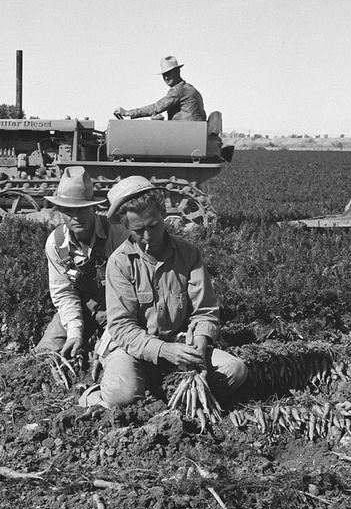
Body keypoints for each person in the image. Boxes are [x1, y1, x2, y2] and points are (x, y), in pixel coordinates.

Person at [91, 176, 248, 408]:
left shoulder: (189, 254)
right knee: (121, 398)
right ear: (125, 226)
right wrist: (163, 350)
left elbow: (204, 311)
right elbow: (122, 328)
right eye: (138, 230)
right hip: (133, 348)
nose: (147, 237)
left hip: (179, 343)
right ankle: (95, 394)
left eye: (153, 226)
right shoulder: (120, 263)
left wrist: (200, 342)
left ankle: (165, 388)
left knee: (235, 371)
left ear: (163, 213)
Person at [35, 166, 129, 359]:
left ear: (94, 208)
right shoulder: (56, 243)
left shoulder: (117, 234)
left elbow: (132, 292)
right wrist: (75, 332)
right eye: (69, 211)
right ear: (60, 211)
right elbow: (64, 294)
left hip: (120, 308)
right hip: (83, 306)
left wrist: (112, 334)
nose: (76, 217)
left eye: (82, 210)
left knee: (112, 357)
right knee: (47, 354)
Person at [114, 55, 207, 122]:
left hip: (185, 135)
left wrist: (128, 113)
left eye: (169, 73)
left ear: (177, 71)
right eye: (164, 74)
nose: (166, 77)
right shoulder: (190, 88)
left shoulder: (177, 90)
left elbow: (156, 107)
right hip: (192, 133)